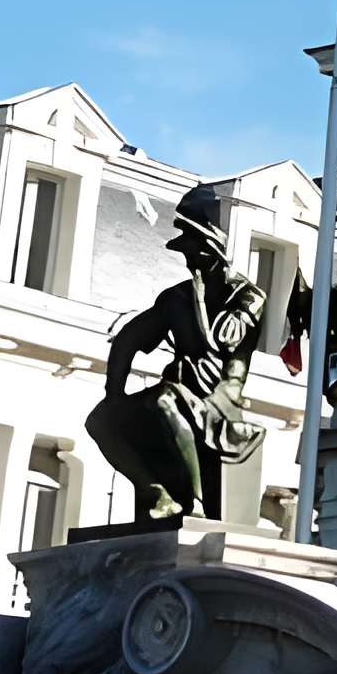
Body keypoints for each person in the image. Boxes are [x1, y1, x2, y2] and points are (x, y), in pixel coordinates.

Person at [86, 183, 266, 523]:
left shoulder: (246, 295)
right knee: (101, 419)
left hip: (220, 399)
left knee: (163, 401)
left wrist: (199, 301)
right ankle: (156, 490)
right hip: (179, 391)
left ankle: (194, 502)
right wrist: (115, 393)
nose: (187, 259)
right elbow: (128, 338)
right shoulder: (176, 297)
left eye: (192, 250)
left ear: (212, 249)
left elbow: (224, 339)